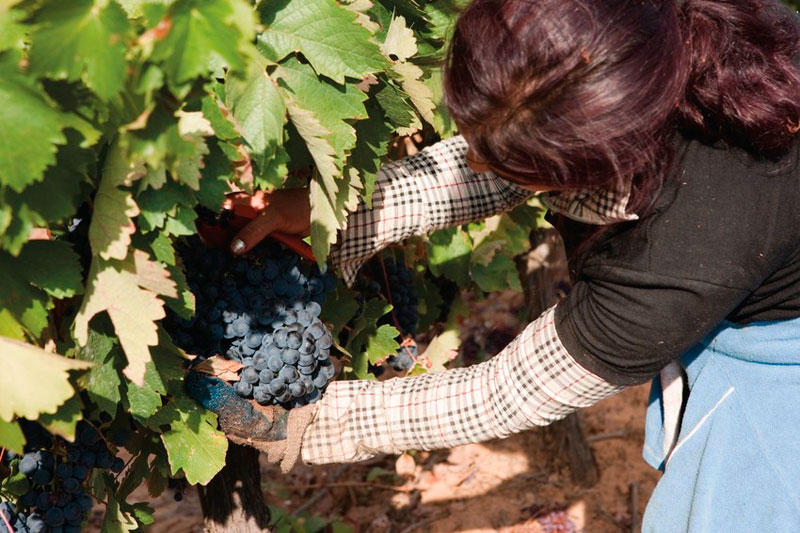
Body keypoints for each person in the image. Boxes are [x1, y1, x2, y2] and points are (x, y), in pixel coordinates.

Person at [188, 0, 800, 530]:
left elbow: (508, 392)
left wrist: (309, 424)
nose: (477, 162)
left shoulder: (681, 253)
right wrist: (336, 213)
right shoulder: (636, 36)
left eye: (504, 160)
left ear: (595, 164)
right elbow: (509, 142)